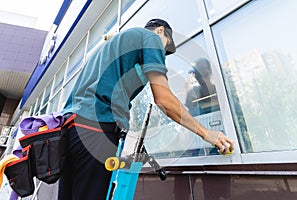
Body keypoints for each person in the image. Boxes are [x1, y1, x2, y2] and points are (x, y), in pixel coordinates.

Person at [58, 18, 234, 200]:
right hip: (96, 129)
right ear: (160, 31)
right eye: (165, 49)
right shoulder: (152, 39)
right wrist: (206, 134)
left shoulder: (116, 44)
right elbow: (163, 99)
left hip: (71, 130)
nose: (163, 55)